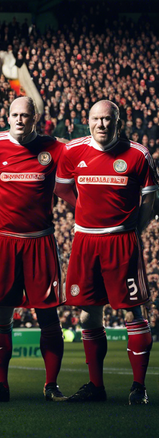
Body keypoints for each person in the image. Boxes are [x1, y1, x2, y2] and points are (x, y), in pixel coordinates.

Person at [54, 100, 156, 404]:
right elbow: (61, 188)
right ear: (88, 121)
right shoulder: (73, 151)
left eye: (108, 119)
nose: (101, 124)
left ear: (118, 122)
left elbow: (150, 202)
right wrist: (83, 209)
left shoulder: (139, 154)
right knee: (87, 315)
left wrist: (133, 228)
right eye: (96, 119)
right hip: (85, 241)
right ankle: (95, 386)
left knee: (132, 310)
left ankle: (139, 387)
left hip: (122, 242)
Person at [0, 96, 67, 402]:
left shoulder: (55, 147)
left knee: (48, 315)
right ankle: (1, 385)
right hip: (3, 240)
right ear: (8, 116)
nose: (18, 120)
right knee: (1, 312)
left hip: (40, 240)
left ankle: (51, 385)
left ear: (35, 117)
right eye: (14, 114)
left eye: (25, 115)